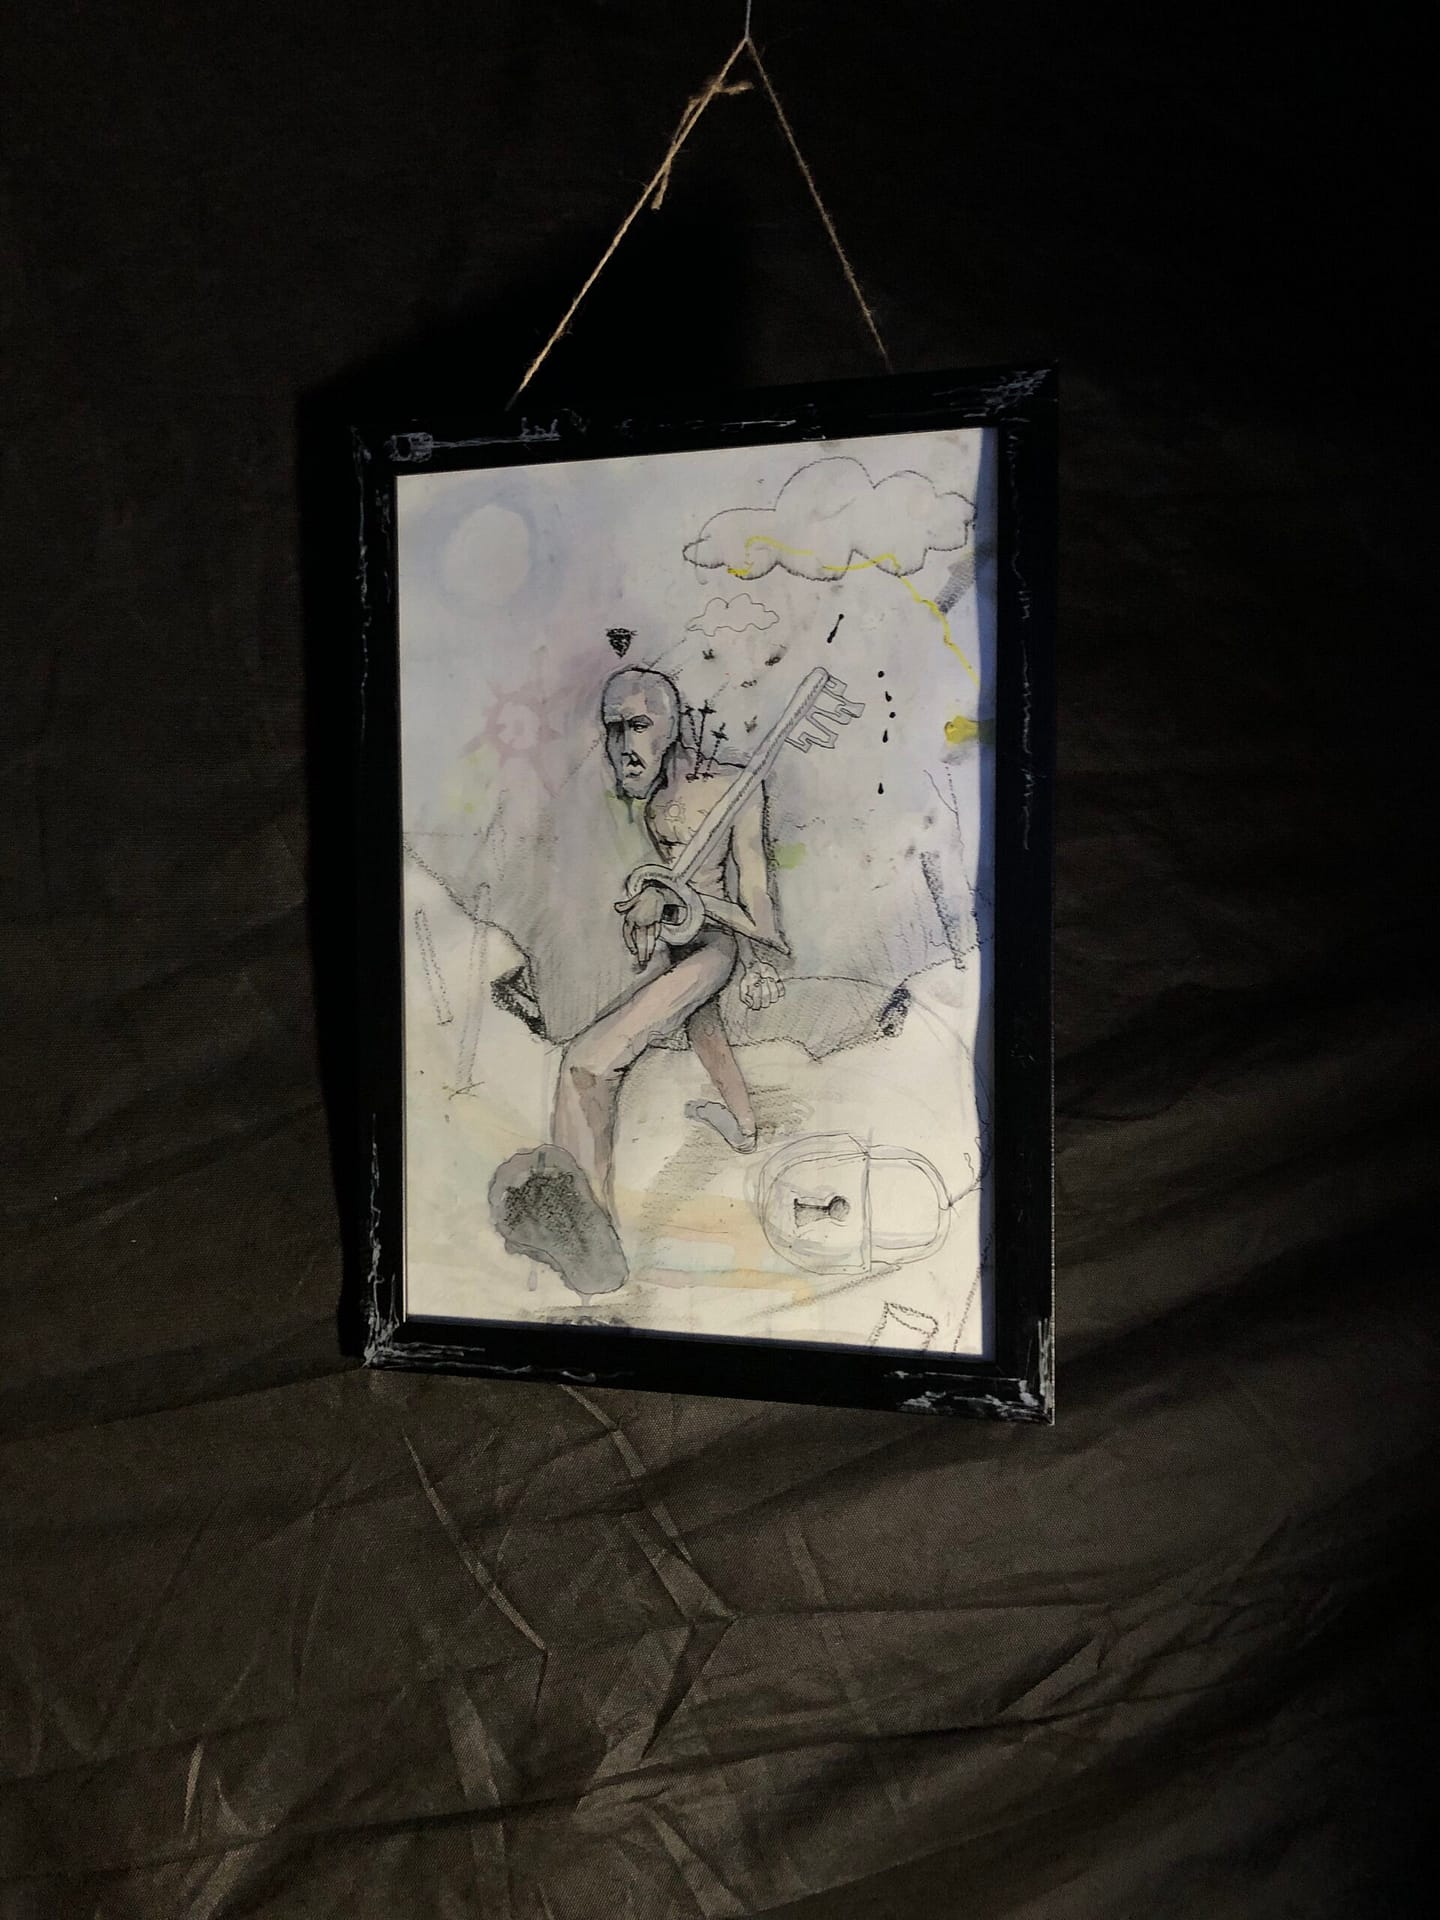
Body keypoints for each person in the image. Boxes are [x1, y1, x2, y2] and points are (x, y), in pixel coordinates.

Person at [552, 665, 786, 1215]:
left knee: (586, 1069)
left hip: (713, 949)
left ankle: (586, 1232)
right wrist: (655, 903)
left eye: (638, 725)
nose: (622, 746)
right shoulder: (656, 801)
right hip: (677, 941)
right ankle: (744, 1127)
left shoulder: (732, 789)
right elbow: (672, 888)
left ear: (672, 726)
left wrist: (674, 897)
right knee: (705, 1029)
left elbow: (760, 921)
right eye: (614, 728)